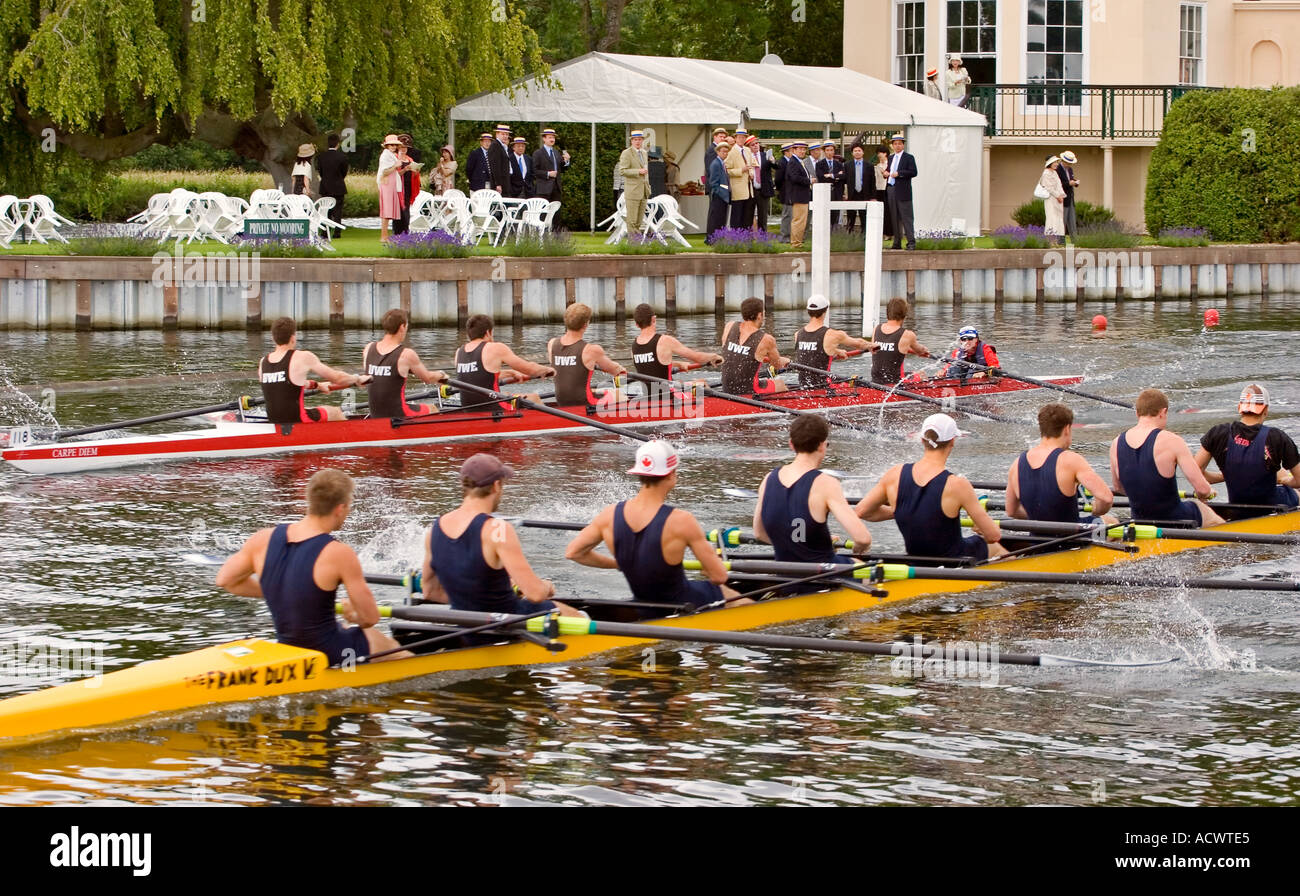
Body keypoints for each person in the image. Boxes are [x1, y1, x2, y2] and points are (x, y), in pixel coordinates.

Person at [216, 469, 408, 665]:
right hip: (331, 654)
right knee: (382, 641)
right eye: (349, 507)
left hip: (287, 648)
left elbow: (226, 580)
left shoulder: (262, 539)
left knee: (342, 629)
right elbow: (370, 617)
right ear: (340, 509)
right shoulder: (339, 553)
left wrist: (280, 592)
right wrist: (353, 615)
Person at [565, 441, 743, 618]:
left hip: (644, 606)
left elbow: (574, 553)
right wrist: (710, 566)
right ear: (671, 474)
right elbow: (719, 576)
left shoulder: (609, 515)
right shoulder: (682, 520)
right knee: (731, 595)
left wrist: (618, 564)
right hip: (684, 601)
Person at [422, 454, 583, 618]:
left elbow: (429, 591)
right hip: (506, 626)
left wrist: (472, 602)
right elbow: (535, 594)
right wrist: (546, 587)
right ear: (496, 485)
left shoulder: (434, 530)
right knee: (579, 617)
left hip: (465, 627)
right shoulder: (498, 530)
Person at [855, 413, 1008, 561]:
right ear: (953, 441)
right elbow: (993, 536)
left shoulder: (894, 474)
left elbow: (862, 511)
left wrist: (906, 510)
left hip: (916, 560)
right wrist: (981, 528)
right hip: (954, 560)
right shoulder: (957, 484)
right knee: (996, 547)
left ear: (922, 440)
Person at [754, 415, 874, 565]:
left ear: (791, 444)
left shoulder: (768, 479)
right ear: (822, 445)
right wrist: (859, 552)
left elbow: (759, 533)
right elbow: (863, 539)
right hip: (822, 576)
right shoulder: (826, 483)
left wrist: (810, 542)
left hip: (783, 574)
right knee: (863, 566)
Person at [1109, 389, 1224, 526]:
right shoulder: (1172, 440)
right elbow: (1202, 489)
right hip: (1175, 519)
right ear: (1163, 412)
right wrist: (1209, 493)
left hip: (1139, 522)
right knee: (1201, 508)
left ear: (1137, 413)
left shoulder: (1116, 443)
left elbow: (1118, 487)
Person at [1195, 384, 1300, 519]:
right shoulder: (1277, 437)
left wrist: (1228, 475)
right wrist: (1285, 480)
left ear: (1240, 408)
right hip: (1272, 506)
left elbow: (1195, 473)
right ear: (1265, 410)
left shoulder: (1217, 433)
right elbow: (1298, 480)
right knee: (1295, 491)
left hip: (1237, 509)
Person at [1006, 403, 1117, 525]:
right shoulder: (1070, 460)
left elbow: (1011, 511)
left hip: (1037, 538)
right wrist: (1097, 511)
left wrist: (1042, 520)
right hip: (1072, 536)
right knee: (1111, 522)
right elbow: (1106, 498)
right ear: (1067, 429)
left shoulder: (1016, 464)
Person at [259, 316, 369, 423]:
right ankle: (352, 439)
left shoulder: (263, 362)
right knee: (335, 412)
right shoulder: (302, 357)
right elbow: (338, 378)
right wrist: (357, 379)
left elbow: (284, 384)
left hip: (274, 420)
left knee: (311, 408)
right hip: (298, 420)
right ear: (293, 337)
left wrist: (318, 385)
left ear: (273, 338)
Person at [362, 309, 449, 419]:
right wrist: (442, 375)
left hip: (376, 414)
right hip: (399, 415)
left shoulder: (368, 349)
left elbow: (376, 378)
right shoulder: (406, 355)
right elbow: (428, 378)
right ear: (402, 327)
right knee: (432, 408)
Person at [455, 313, 555, 406]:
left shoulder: (459, 352)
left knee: (506, 394)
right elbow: (530, 369)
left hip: (468, 408)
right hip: (494, 408)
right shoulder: (495, 348)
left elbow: (479, 376)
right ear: (488, 332)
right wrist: (549, 370)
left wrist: (511, 373)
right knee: (534, 398)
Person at [547, 302, 627, 407]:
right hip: (585, 403)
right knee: (618, 394)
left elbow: (566, 369)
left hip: (562, 401)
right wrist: (623, 370)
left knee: (594, 389)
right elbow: (615, 370)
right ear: (586, 324)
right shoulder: (591, 350)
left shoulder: (552, 344)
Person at [630, 303, 723, 389]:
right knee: (701, 383)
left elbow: (651, 364)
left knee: (679, 382)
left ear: (637, 324)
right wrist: (714, 356)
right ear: (654, 319)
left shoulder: (634, 346)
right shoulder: (665, 341)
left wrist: (678, 364)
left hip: (649, 398)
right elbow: (697, 358)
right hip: (669, 396)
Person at [793, 295, 875, 389]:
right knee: (858, 384)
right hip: (824, 388)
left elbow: (813, 352)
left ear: (808, 311)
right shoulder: (831, 335)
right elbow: (859, 344)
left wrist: (836, 351)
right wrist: (873, 345)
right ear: (825, 311)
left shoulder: (798, 334)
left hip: (804, 387)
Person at [720, 297, 790, 394]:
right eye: (763, 313)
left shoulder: (729, 326)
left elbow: (732, 353)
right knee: (780, 384)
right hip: (750, 391)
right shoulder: (766, 339)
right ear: (760, 315)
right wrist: (787, 361)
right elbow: (777, 365)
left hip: (727, 388)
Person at [871, 297, 930, 385]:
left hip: (876, 380)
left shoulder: (876, 329)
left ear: (887, 312)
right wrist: (925, 350)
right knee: (922, 374)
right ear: (904, 315)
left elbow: (874, 351)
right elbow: (920, 351)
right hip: (895, 382)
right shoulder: (908, 335)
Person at [885, 133, 917, 250]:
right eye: (895, 144)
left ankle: (911, 242)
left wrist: (900, 174)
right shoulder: (891, 158)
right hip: (891, 188)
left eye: (899, 144)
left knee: (906, 218)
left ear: (903, 145)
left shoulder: (908, 157)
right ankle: (896, 242)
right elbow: (889, 170)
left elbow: (913, 172)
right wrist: (886, 173)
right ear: (892, 145)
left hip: (903, 191)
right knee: (894, 217)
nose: (897, 146)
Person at [618, 130, 651, 237]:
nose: (638, 142)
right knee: (632, 220)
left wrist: (647, 187)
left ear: (642, 141)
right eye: (635, 140)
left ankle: (637, 243)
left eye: (640, 140)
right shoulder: (626, 153)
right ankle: (633, 244)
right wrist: (637, 171)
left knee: (639, 221)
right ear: (631, 141)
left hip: (644, 191)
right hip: (632, 191)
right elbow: (622, 171)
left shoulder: (644, 153)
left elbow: (646, 172)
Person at [376, 134, 407, 242]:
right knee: (386, 211)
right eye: (391, 145)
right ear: (387, 146)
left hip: (391, 185)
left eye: (395, 145)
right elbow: (385, 171)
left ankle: (385, 236)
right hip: (387, 185)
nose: (393, 146)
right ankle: (383, 236)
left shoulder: (391, 155)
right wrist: (395, 165)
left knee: (389, 211)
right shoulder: (385, 155)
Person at [725, 130, 755, 229]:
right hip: (737, 188)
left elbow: (751, 165)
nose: (742, 139)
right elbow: (727, 170)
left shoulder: (747, 150)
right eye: (739, 137)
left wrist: (751, 173)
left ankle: (745, 236)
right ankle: (736, 237)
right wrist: (741, 170)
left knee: (747, 215)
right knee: (737, 214)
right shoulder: (731, 152)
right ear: (735, 138)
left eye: (743, 137)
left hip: (748, 187)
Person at [317, 134, 349, 226]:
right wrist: (338, 178)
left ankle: (325, 231)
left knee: (326, 209)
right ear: (337, 144)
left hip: (325, 186)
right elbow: (344, 172)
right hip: (338, 186)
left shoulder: (321, 157)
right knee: (338, 210)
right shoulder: (342, 157)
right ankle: (337, 231)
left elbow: (321, 172)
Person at [532, 128, 570, 202]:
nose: (552, 139)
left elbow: (562, 169)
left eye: (553, 137)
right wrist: (548, 174)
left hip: (556, 188)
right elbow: (534, 170)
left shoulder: (556, 152)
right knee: (543, 212)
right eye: (550, 137)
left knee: (556, 212)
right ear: (544, 138)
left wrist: (566, 161)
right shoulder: (538, 153)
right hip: (543, 189)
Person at [787, 141, 812, 249]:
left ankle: (798, 241)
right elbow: (795, 178)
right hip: (798, 195)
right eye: (800, 149)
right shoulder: (793, 162)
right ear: (794, 150)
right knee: (798, 220)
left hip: (803, 195)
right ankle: (795, 243)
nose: (802, 151)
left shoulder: (800, 162)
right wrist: (809, 180)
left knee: (802, 220)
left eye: (804, 149)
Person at [706, 141, 732, 241]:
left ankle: (719, 237)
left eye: (726, 152)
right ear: (718, 152)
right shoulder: (716, 164)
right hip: (719, 196)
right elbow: (713, 182)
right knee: (716, 219)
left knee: (721, 219)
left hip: (724, 196)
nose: (725, 153)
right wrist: (721, 192)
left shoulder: (722, 163)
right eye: (723, 152)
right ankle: (712, 239)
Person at [815, 141, 845, 229]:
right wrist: (836, 176)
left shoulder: (839, 164)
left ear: (834, 151)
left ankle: (834, 230)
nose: (829, 152)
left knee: (835, 212)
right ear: (824, 152)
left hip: (837, 191)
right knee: (825, 212)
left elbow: (843, 176)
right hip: (825, 191)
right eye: (827, 150)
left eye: (831, 150)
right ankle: (825, 229)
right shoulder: (819, 164)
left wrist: (831, 175)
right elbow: (821, 177)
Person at [844, 144, 872, 234]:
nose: (857, 152)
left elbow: (872, 182)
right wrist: (844, 194)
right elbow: (844, 180)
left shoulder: (869, 165)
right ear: (852, 153)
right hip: (852, 194)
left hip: (864, 194)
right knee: (850, 216)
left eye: (859, 150)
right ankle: (849, 235)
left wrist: (873, 196)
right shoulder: (847, 165)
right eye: (855, 151)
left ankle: (864, 236)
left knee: (864, 216)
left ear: (863, 152)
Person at [1040, 156, 1067, 244]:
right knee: (1051, 217)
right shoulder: (1046, 174)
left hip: (1058, 199)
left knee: (1059, 218)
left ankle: (1060, 240)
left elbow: (1059, 185)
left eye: (1057, 162)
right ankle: (1051, 240)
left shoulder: (1055, 173)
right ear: (1050, 163)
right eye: (1054, 162)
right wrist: (1057, 196)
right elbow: (1049, 187)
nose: (1056, 164)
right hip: (1051, 198)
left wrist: (1061, 195)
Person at [753, 138, 775, 232]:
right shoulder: (747, 156)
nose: (755, 145)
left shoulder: (765, 155)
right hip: (751, 189)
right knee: (748, 214)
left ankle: (762, 238)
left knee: (763, 215)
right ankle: (747, 237)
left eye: (757, 143)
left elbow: (777, 167)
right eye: (753, 144)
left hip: (763, 189)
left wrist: (772, 161)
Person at [1059, 150, 1080, 238]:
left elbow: (1070, 179)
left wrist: (1075, 182)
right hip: (1062, 198)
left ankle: (1075, 240)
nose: (1069, 165)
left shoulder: (1070, 169)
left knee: (1072, 219)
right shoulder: (1057, 170)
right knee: (1062, 220)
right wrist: (1068, 183)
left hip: (1070, 198)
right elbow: (1058, 184)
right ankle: (1060, 241)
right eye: (1068, 163)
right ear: (1063, 160)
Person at [775, 143, 793, 242]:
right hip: (785, 191)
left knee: (791, 214)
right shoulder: (781, 162)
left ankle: (789, 235)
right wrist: (780, 189)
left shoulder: (790, 161)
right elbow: (778, 179)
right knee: (786, 214)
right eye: (791, 150)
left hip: (790, 192)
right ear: (786, 152)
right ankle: (784, 236)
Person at [488, 124, 513, 195]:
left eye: (507, 134)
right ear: (497, 134)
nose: (505, 136)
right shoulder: (495, 145)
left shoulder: (502, 146)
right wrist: (498, 184)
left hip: (504, 182)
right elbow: (495, 167)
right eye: (503, 134)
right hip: (499, 185)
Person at [874, 148, 893, 238]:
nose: (879, 155)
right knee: (881, 212)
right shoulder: (877, 165)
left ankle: (889, 233)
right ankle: (882, 232)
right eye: (878, 153)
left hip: (887, 189)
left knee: (888, 212)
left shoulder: (890, 164)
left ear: (885, 154)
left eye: (880, 153)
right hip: (879, 190)